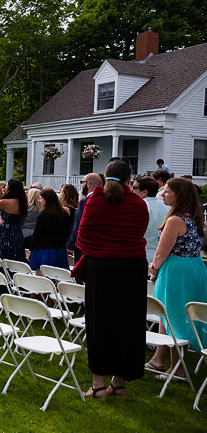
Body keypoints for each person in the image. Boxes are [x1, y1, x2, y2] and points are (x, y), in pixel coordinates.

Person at [73, 159, 149, 398]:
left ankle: (98, 386)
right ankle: (119, 383)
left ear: (105, 177)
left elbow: (81, 238)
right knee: (128, 323)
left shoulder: (93, 202)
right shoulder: (138, 203)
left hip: (102, 268)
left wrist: (99, 251)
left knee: (100, 322)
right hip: (132, 268)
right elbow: (139, 232)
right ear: (130, 179)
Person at [146, 178, 207, 378]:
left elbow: (161, 254)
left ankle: (178, 369)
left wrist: (153, 269)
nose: (162, 194)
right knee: (172, 315)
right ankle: (158, 359)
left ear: (179, 196)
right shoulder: (193, 217)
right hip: (194, 268)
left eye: (167, 192)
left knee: (173, 317)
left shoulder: (175, 220)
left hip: (176, 270)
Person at [0, 178, 27, 262]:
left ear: (11, 188)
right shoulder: (22, 202)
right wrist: (0, 191)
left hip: (5, 232)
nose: (5, 187)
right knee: (15, 255)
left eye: (7, 185)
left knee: (3, 256)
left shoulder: (5, 202)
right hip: (17, 231)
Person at [28, 188, 71, 272]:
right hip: (59, 249)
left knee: (42, 276)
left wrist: (30, 249)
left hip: (43, 250)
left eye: (41, 198)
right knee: (58, 275)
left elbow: (37, 234)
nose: (39, 201)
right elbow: (67, 233)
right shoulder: (64, 214)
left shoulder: (43, 215)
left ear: (47, 200)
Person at [132, 176, 169, 263]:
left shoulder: (138, 208)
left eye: (134, 187)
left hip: (142, 256)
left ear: (144, 192)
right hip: (163, 259)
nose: (131, 190)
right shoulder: (168, 208)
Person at [67, 173, 102, 262]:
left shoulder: (85, 202)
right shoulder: (106, 200)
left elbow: (78, 224)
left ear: (88, 184)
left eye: (82, 182)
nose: (81, 185)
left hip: (84, 246)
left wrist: (70, 245)